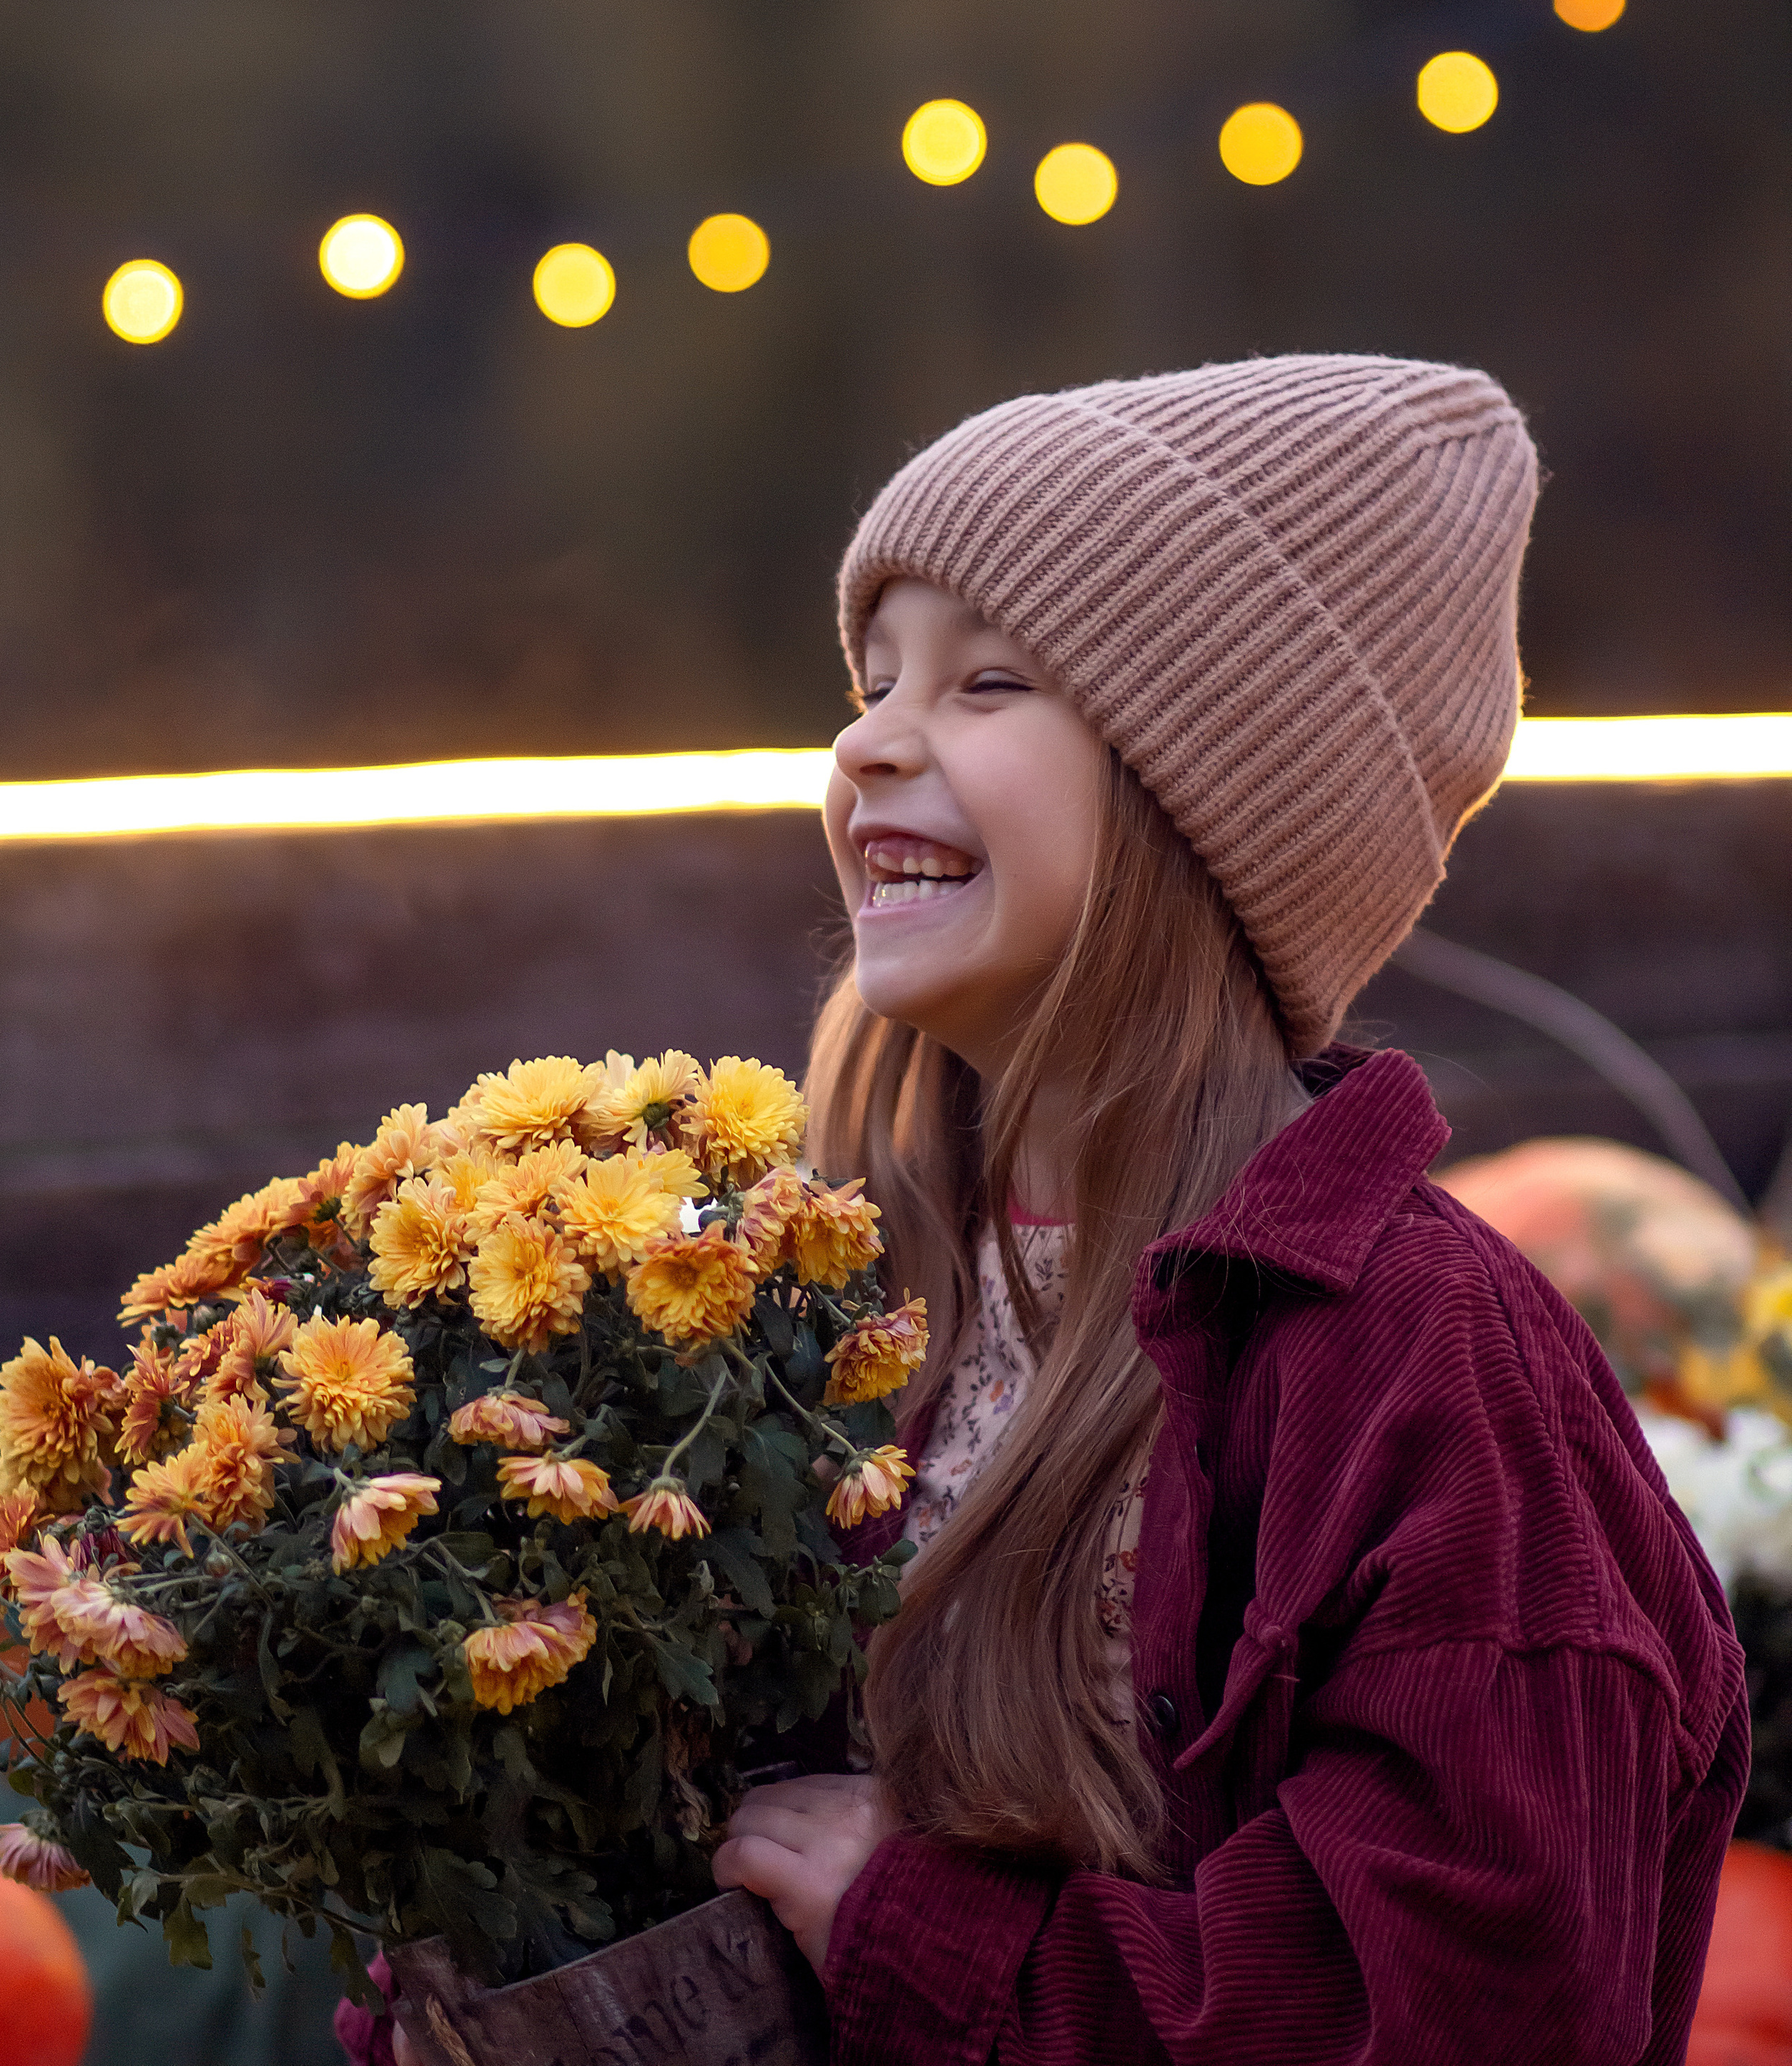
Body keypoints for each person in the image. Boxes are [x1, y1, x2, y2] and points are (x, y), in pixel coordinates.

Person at [710, 354, 1748, 2065]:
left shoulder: (1416, 1358)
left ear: (1205, 813)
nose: (868, 739)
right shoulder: (821, 1282)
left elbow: (1465, 2000)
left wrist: (939, 1946)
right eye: (875, 678)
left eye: (986, 683)